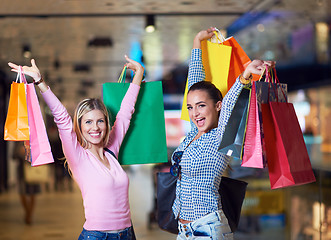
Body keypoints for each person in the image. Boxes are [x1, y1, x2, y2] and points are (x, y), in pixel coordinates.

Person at [8, 55, 144, 240]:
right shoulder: (78, 156)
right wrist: (40, 81)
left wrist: (139, 74)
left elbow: (126, 112)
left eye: (100, 121)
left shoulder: (112, 150)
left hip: (128, 234)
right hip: (97, 236)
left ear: (106, 123)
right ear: (79, 126)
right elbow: (62, 118)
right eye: (88, 122)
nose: (94, 128)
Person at [171, 27, 275, 240]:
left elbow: (229, 105)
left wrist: (245, 75)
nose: (194, 113)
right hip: (184, 232)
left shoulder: (220, 136)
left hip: (208, 229)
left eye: (201, 106)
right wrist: (197, 42)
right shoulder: (192, 135)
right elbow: (194, 83)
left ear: (217, 106)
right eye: (191, 108)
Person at [12, 141, 41, 225]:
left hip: (33, 169)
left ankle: (29, 214)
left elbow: (41, 151)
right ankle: (27, 212)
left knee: (33, 193)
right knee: (22, 193)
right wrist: (20, 152)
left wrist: (30, 151)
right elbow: (13, 155)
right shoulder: (17, 139)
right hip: (21, 171)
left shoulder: (35, 136)